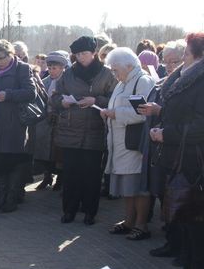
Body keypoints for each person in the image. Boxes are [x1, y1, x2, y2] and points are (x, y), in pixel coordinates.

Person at [151, 32, 204, 269]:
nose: (182, 57)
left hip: (198, 162)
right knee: (185, 217)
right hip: (182, 158)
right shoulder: (190, 80)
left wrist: (167, 133)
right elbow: (180, 114)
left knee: (197, 221)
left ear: (201, 55)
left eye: (186, 52)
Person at [52, 36, 117, 225]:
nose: (81, 57)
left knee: (91, 176)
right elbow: (54, 97)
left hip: (95, 129)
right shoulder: (68, 73)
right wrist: (62, 102)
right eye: (78, 54)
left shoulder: (106, 73)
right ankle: (69, 210)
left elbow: (114, 98)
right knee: (71, 174)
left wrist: (95, 101)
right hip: (70, 130)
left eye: (84, 53)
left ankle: (90, 212)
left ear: (94, 53)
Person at [102, 48, 155, 240]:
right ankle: (129, 220)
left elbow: (144, 113)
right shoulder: (121, 83)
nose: (114, 74)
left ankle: (141, 224)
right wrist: (108, 112)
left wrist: (116, 114)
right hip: (120, 142)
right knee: (127, 185)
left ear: (130, 66)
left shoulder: (143, 81)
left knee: (138, 186)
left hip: (134, 144)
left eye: (116, 70)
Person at [0, 40, 36, 213]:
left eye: (1, 58)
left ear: (10, 54)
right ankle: (1, 196)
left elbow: (30, 92)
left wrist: (9, 95)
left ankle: (11, 199)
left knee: (13, 163)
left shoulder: (22, 68)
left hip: (14, 125)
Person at [143, 39, 186, 259]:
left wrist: (159, 112)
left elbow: (181, 117)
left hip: (176, 150)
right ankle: (171, 240)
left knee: (175, 200)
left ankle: (177, 245)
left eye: (175, 61)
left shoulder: (185, 84)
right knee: (163, 194)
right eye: (166, 61)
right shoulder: (161, 82)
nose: (169, 66)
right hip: (159, 146)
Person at [34, 51, 68, 191]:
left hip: (61, 122)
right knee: (45, 151)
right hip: (46, 121)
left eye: (55, 68)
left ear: (62, 68)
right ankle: (47, 176)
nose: (51, 70)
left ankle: (60, 178)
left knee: (59, 152)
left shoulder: (67, 82)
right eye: (50, 67)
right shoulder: (45, 81)